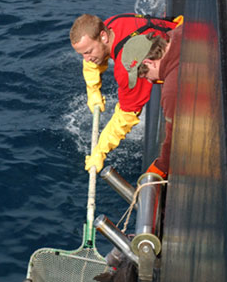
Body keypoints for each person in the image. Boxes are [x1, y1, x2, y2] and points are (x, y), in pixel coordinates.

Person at [70, 13, 183, 174]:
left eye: (88, 52)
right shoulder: (112, 24)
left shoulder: (129, 67)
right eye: (82, 54)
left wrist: (100, 150)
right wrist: (93, 89)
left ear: (103, 37)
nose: (86, 59)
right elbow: (91, 61)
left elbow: (127, 114)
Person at [121, 24, 183, 178]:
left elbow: (173, 138)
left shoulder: (172, 89)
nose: (149, 82)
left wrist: (160, 167)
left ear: (148, 62)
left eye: (145, 76)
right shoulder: (180, 31)